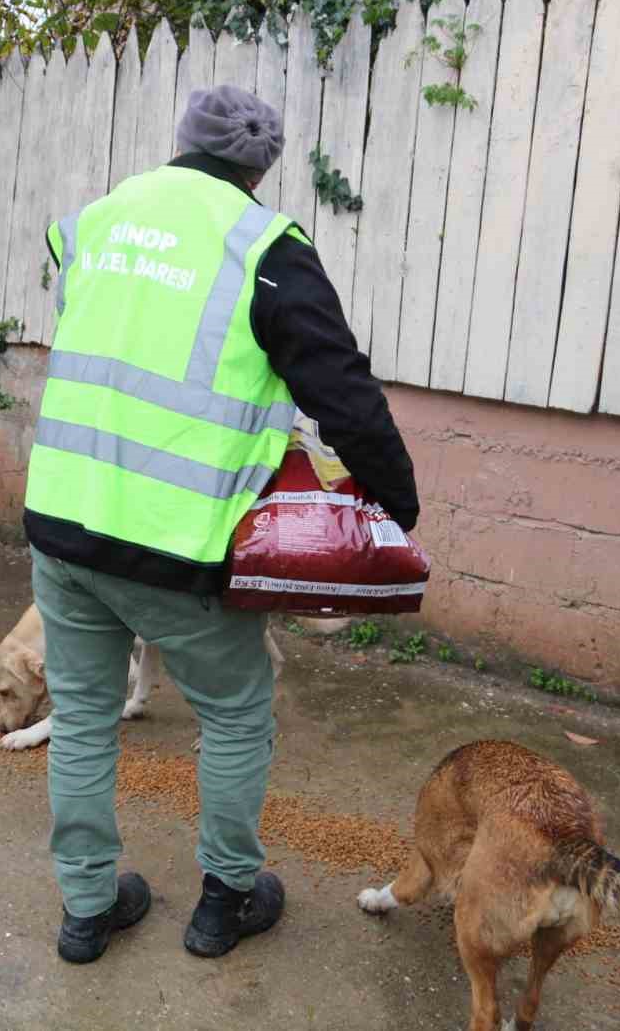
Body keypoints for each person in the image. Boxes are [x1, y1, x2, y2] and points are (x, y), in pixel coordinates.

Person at [24, 84, 421, 965]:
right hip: (180, 547)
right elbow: (343, 397)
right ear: (260, 165)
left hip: (62, 521)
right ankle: (225, 902)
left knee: (85, 716)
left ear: (182, 142)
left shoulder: (100, 219)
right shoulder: (265, 250)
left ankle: (87, 911)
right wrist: (398, 510)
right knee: (237, 714)